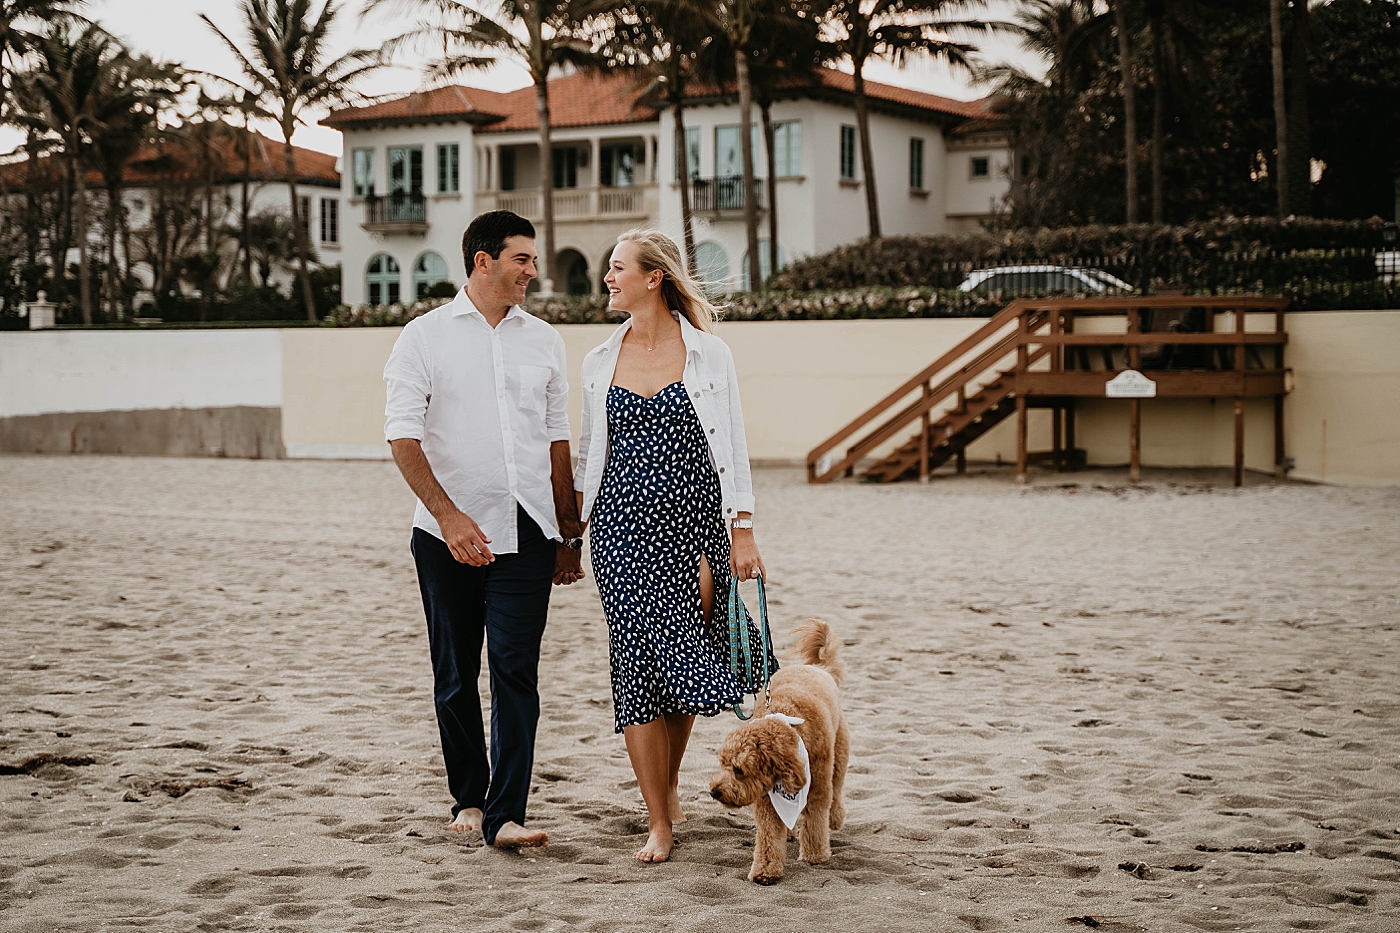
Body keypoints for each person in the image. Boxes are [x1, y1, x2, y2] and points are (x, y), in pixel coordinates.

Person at [383, 210, 584, 849]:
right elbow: (401, 434)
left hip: (528, 530)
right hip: (445, 537)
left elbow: (558, 443)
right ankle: (468, 796)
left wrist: (568, 533)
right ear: (483, 261)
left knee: (516, 670)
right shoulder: (423, 337)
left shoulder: (545, 340)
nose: (533, 271)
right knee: (455, 673)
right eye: (522, 259)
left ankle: (507, 815)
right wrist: (447, 517)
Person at [574, 229, 776, 863]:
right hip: (620, 534)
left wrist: (741, 530)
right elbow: (589, 455)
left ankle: (663, 790)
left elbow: (734, 445)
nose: (607, 279)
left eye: (617, 268)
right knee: (636, 671)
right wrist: (570, 533)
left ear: (653, 276)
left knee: (683, 671)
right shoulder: (598, 359)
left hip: (694, 531)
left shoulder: (709, 356)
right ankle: (659, 818)